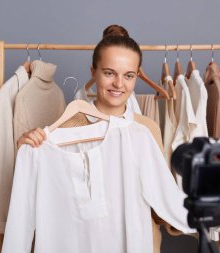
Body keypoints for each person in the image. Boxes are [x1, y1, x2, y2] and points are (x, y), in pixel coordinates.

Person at [17, 24, 182, 253]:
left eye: (129, 76)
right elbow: (35, 207)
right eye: (109, 73)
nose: (119, 84)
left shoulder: (145, 131)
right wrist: (29, 151)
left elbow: (165, 201)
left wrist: (211, 215)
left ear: (137, 76)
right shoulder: (63, 133)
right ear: (93, 71)